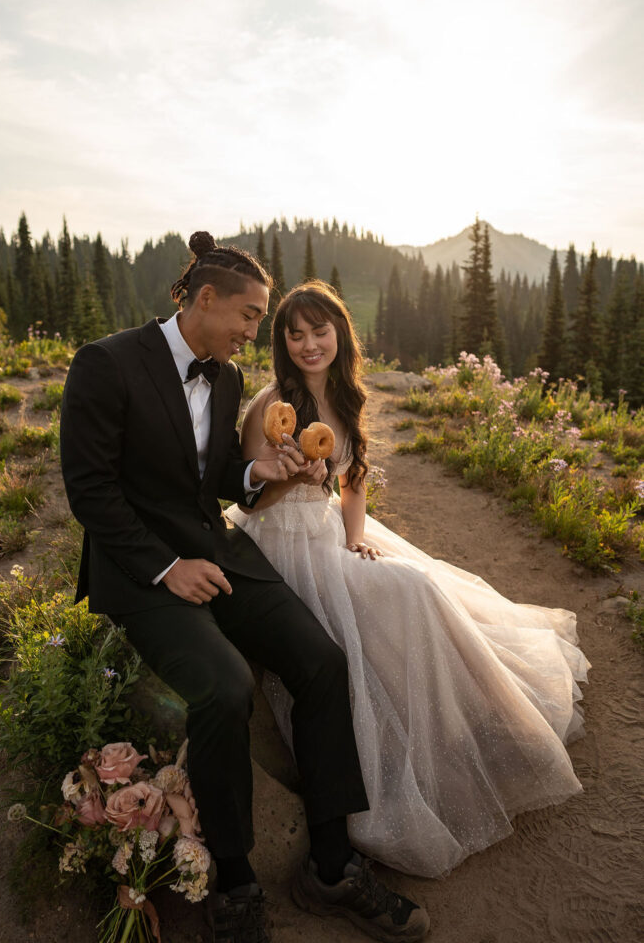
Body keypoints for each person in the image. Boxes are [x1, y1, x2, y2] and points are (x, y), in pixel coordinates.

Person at [60, 235, 430, 943]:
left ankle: (329, 866)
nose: (254, 333)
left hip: (219, 550)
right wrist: (168, 568)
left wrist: (262, 471)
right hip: (142, 572)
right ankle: (234, 882)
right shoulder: (104, 364)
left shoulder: (225, 380)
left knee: (321, 661)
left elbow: (219, 478)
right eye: (250, 316)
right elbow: (90, 491)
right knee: (225, 688)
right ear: (206, 299)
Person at [229, 280, 590, 880]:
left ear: (340, 333)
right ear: (281, 342)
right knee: (408, 593)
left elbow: (352, 482)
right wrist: (290, 478)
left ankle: (477, 718)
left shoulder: (343, 398)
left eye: (320, 331)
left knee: (422, 584)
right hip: (276, 546)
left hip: (327, 535)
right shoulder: (271, 407)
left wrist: (354, 536)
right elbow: (251, 502)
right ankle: (408, 756)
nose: (309, 344)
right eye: (295, 334)